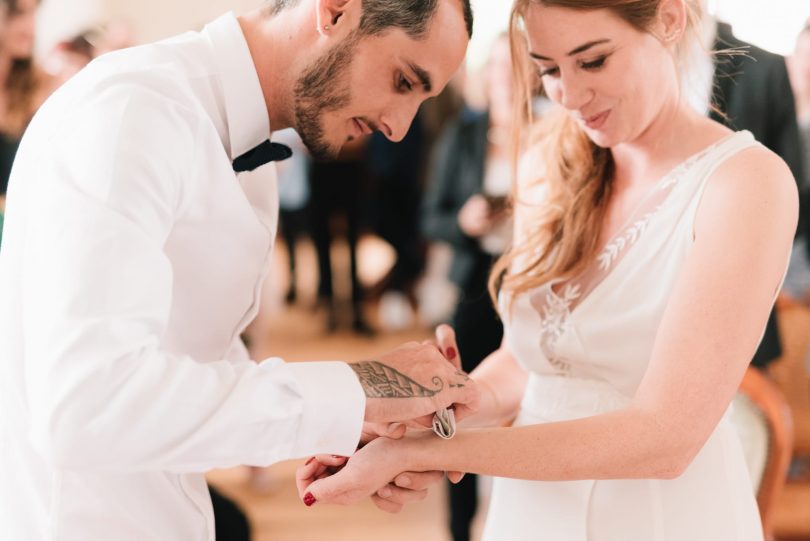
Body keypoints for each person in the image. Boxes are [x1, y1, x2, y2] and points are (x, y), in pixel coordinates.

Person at [298, 1, 799, 539]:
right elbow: (526, 364)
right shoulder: (546, 166)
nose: (569, 95)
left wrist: (423, 453)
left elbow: (666, 437)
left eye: (594, 60)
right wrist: (436, 408)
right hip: (530, 512)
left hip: (661, 516)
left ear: (670, 19)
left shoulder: (746, 184)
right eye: (550, 69)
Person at [0, 1, 478, 539]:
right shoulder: (132, 113)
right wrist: (354, 388)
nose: (398, 126)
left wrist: (356, 417)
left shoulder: (246, 143)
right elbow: (87, 405)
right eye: (402, 81)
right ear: (338, 10)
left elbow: (190, 355)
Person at [420, 33, 515, 541]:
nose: (504, 76)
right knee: (460, 411)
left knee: (523, 414)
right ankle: (460, 531)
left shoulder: (553, 131)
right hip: (478, 284)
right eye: (496, 67)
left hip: (534, 282)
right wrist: (464, 221)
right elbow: (430, 216)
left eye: (514, 66)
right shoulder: (463, 133)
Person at [0, 0, 52, 213]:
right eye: (18, 14)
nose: (30, 27)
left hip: (17, 229)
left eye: (34, 14)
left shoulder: (43, 87)